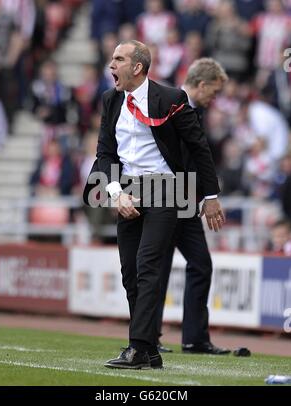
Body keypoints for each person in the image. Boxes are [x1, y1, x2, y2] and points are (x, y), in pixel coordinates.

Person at [83, 41, 225, 369]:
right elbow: (104, 152)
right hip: (128, 190)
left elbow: (198, 146)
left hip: (166, 189)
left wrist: (211, 196)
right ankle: (149, 350)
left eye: (118, 59)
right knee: (130, 272)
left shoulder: (171, 98)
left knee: (148, 265)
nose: (111, 65)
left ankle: (137, 347)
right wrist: (116, 192)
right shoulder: (110, 99)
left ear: (137, 67)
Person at [157, 58, 231, 355]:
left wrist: (203, 197)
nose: (215, 98)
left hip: (186, 202)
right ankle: (147, 338)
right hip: (163, 199)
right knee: (157, 270)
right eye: (213, 91)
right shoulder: (169, 104)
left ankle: (194, 339)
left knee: (201, 263)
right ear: (201, 84)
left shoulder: (194, 111)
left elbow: (194, 158)